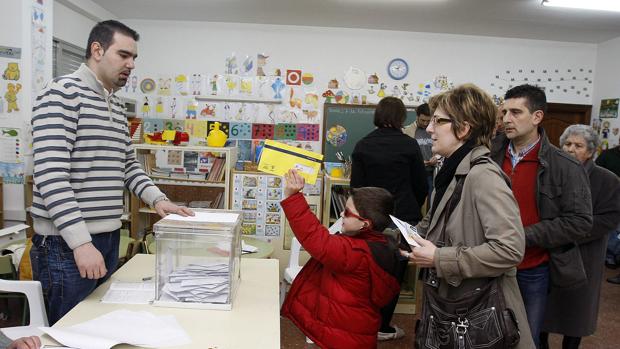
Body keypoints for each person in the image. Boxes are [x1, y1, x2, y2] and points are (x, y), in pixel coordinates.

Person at [30, 20, 193, 325]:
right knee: (69, 334)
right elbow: (51, 176)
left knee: (98, 328)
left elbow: (128, 165)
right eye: (124, 55)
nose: (131, 64)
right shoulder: (61, 94)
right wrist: (80, 243)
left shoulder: (117, 105)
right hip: (65, 245)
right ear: (97, 50)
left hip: (105, 238)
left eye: (134, 58)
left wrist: (158, 200)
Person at [404, 83, 534, 349]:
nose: (429, 129)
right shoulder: (450, 171)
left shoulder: (483, 176)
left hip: (479, 315)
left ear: (463, 129)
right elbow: (434, 226)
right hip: (454, 307)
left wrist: (439, 257)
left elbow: (510, 249)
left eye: (438, 121)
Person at [490, 84, 592, 348]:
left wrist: (523, 236)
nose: (507, 119)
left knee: (526, 338)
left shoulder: (565, 166)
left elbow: (580, 222)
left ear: (537, 117)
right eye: (504, 112)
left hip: (531, 268)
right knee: (485, 334)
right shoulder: (489, 154)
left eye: (515, 112)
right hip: (487, 262)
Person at [280, 169, 401, 349]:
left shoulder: (356, 253)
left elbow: (317, 241)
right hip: (353, 331)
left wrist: (293, 197)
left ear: (365, 224)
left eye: (347, 212)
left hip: (343, 337)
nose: (342, 215)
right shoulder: (378, 244)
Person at [350, 96, 427, 340]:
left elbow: (356, 187)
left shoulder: (362, 145)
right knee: (394, 273)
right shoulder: (409, 145)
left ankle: (361, 322)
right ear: (401, 118)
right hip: (403, 217)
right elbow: (421, 185)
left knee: (366, 271)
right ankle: (382, 326)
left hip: (371, 218)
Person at [539, 125, 620, 348]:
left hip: (585, 254)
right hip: (551, 251)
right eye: (567, 144)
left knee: (577, 313)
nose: (571, 149)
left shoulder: (608, 180)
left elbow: (610, 217)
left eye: (578, 145)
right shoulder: (548, 171)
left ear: (591, 151)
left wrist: (571, 230)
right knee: (544, 311)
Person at [404, 103, 436, 198]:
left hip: (431, 173)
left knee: (432, 199)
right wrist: (417, 162)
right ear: (417, 116)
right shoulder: (407, 131)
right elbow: (405, 154)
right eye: (423, 120)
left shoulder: (435, 131)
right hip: (413, 173)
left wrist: (437, 158)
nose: (425, 123)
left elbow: (442, 150)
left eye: (428, 121)